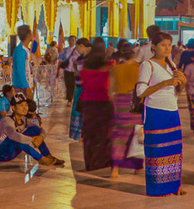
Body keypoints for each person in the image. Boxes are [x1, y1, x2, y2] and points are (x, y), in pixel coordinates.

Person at [136, 33, 187, 196]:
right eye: (163, 45)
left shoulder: (171, 64)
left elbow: (177, 89)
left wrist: (182, 81)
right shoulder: (147, 65)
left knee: (174, 150)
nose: (167, 48)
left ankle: (173, 186)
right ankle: (158, 188)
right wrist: (165, 82)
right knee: (157, 151)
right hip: (155, 112)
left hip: (172, 111)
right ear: (153, 47)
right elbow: (140, 92)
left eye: (169, 45)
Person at [70, 39, 117, 176]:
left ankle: (91, 163)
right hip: (103, 103)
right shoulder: (108, 65)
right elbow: (112, 86)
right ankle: (103, 161)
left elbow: (80, 81)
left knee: (89, 135)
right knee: (104, 135)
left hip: (88, 104)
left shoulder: (85, 65)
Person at [0, 95, 62, 179]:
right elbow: (13, 135)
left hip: (13, 151)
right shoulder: (7, 120)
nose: (25, 108)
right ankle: (41, 159)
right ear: (13, 108)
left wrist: (40, 137)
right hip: (1, 153)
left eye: (26, 105)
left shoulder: (24, 119)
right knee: (17, 137)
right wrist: (32, 139)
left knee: (34, 129)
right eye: (21, 105)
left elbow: (40, 130)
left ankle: (48, 155)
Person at [111, 42, 144, 178]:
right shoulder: (141, 69)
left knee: (120, 137)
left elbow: (111, 89)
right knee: (136, 135)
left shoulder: (116, 69)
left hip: (120, 103)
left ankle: (115, 168)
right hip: (136, 105)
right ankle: (138, 167)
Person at [10, 26, 32, 100]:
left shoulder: (24, 49)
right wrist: (26, 87)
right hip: (21, 87)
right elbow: (20, 70)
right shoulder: (21, 51)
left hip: (24, 85)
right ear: (28, 34)